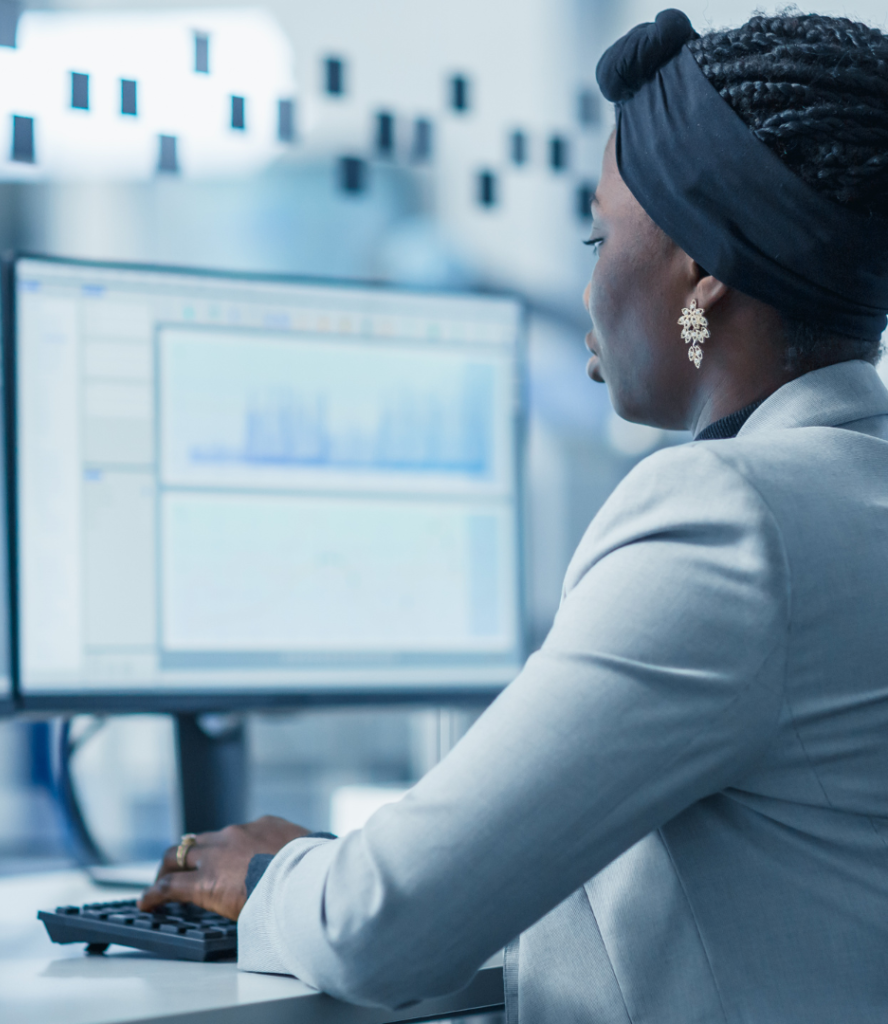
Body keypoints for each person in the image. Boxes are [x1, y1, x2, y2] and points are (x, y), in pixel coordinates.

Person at [140, 10, 888, 1021]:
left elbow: (381, 929)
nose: (586, 284)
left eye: (599, 234)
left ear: (700, 275)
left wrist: (281, 879)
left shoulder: (730, 524)